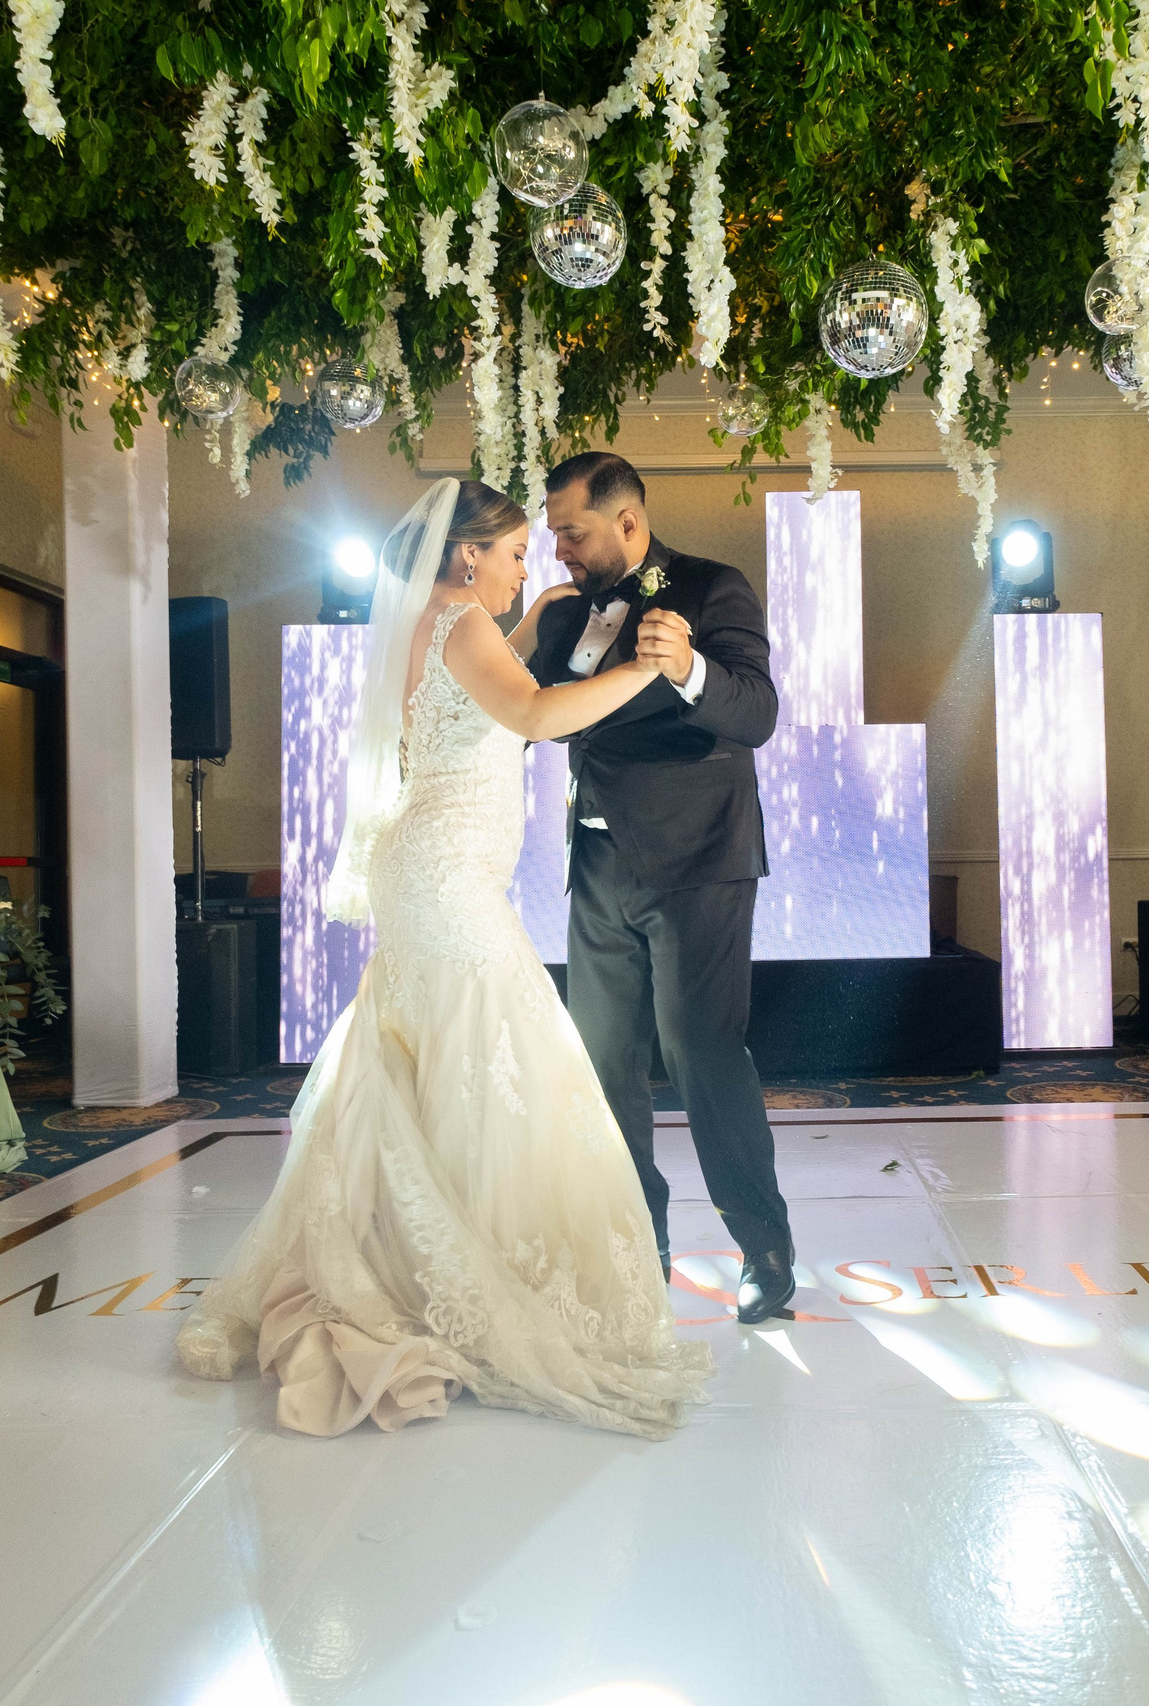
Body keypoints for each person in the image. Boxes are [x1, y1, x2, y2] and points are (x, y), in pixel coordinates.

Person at [178, 479, 714, 1440]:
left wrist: (536, 620)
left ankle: (420, 1261)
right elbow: (537, 717)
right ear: (469, 557)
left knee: (437, 1058)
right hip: (448, 885)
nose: (527, 569)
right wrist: (652, 669)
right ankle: (470, 1277)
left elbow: (465, 701)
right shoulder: (464, 620)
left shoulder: (436, 624)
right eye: (517, 554)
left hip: (423, 874)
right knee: (493, 1060)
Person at [522, 451, 798, 1325]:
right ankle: (640, 1248)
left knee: (702, 1055)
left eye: (572, 532)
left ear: (629, 525)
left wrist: (689, 671)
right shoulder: (566, 612)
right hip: (597, 863)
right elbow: (531, 714)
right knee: (605, 1068)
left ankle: (765, 1247)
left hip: (697, 863)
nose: (558, 549)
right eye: (554, 532)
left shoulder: (712, 588)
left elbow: (756, 712)